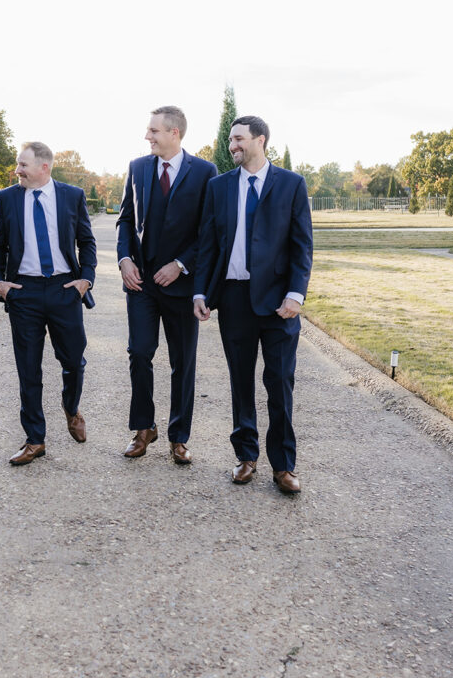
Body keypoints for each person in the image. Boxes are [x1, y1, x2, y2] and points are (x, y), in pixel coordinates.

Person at [193, 115, 312, 493]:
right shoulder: (219, 187)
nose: (233, 146)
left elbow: (301, 245)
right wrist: (200, 292)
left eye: (240, 139)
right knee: (240, 383)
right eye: (231, 140)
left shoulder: (291, 185)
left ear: (261, 140)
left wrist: (296, 294)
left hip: (279, 304)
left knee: (279, 384)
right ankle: (246, 457)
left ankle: (284, 466)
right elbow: (208, 245)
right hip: (234, 300)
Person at [117, 105, 217, 464]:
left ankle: (179, 436)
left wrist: (180, 265)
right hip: (141, 284)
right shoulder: (138, 168)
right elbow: (126, 221)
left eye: (154, 131)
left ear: (174, 133)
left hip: (182, 286)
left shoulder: (205, 172)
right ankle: (144, 428)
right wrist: (125, 260)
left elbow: (209, 231)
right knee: (140, 353)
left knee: (182, 363)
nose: (148, 137)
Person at [0, 142, 97, 465]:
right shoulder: (6, 198)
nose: (17, 170)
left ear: (44, 167)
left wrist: (85, 279)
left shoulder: (71, 196)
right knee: (28, 368)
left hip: (65, 289)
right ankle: (35, 439)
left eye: (22, 165)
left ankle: (71, 407)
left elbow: (86, 241)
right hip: (24, 291)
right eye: (18, 165)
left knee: (74, 361)